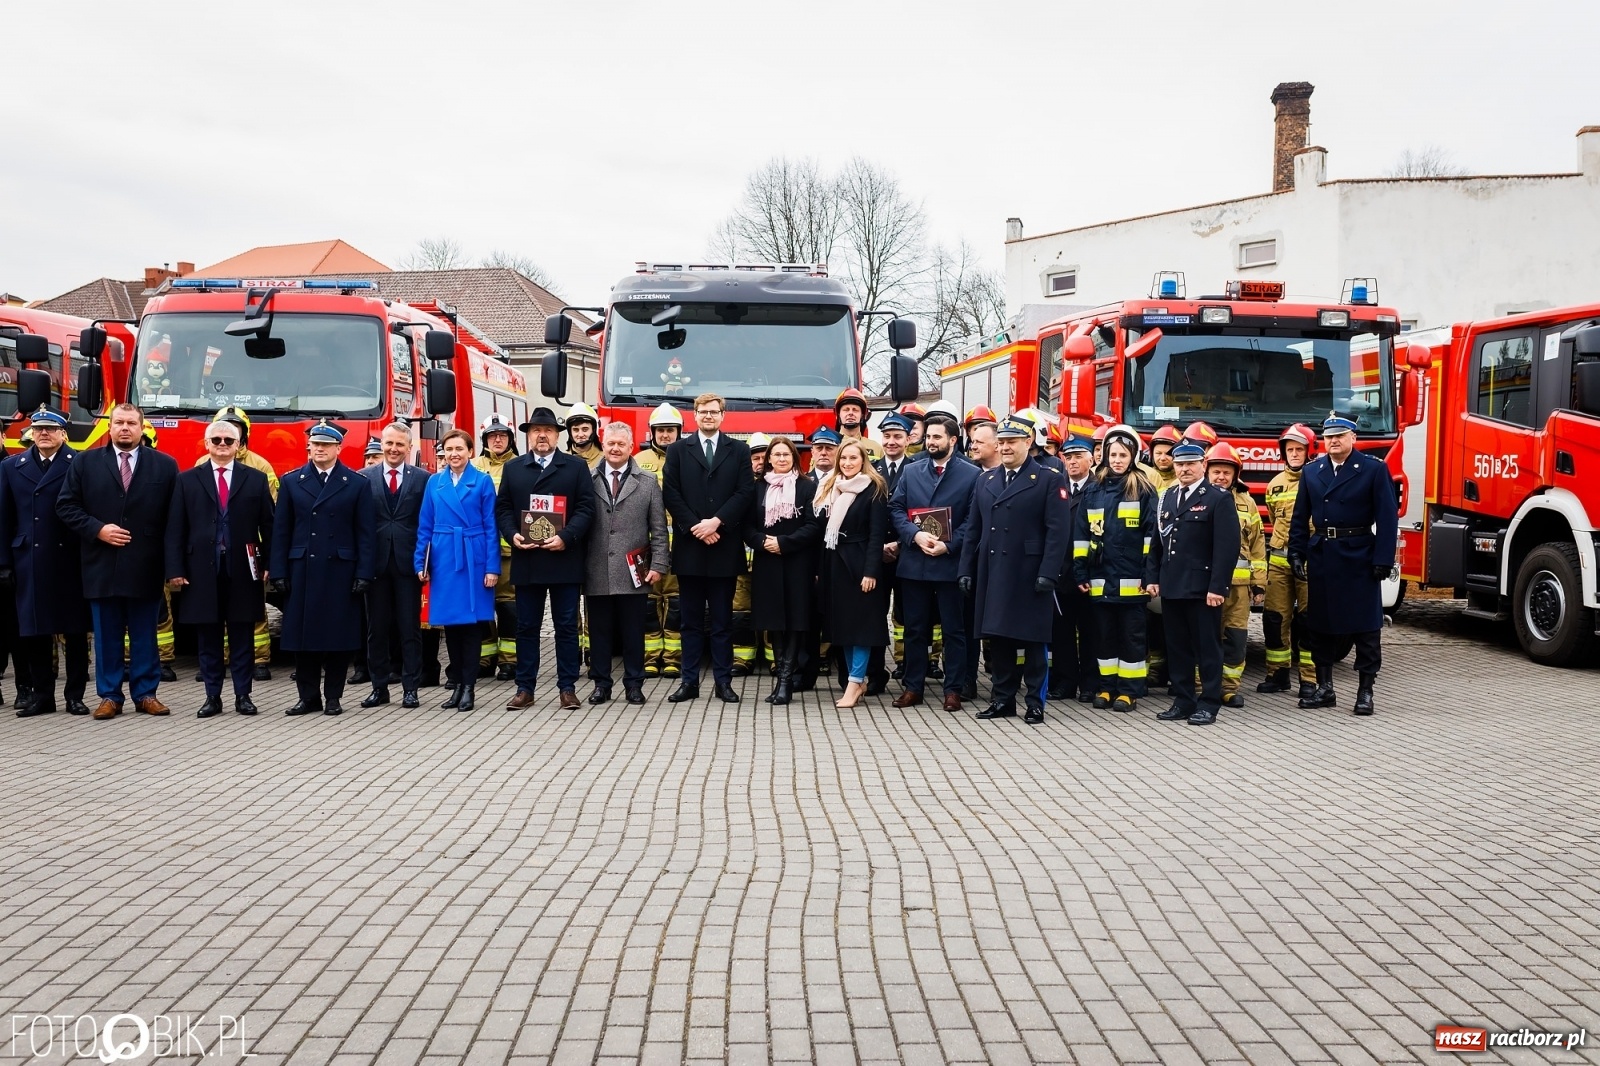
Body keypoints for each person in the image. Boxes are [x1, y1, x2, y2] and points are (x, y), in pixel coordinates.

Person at [56, 403, 179, 720]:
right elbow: (66, 506)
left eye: (131, 423)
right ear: (110, 427)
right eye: (119, 422)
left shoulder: (165, 466)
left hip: (146, 565)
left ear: (142, 428)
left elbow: (174, 519)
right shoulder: (86, 463)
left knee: (144, 635)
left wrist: (173, 566)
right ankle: (110, 696)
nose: (125, 428)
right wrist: (98, 529)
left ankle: (146, 694)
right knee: (106, 636)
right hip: (101, 563)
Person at [959, 417, 1071, 724]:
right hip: (994, 571)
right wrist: (966, 569)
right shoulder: (986, 480)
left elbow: (1058, 532)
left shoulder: (1048, 479)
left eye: (1012, 441)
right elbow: (973, 529)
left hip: (1030, 572)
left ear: (1028, 442)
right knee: (999, 638)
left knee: (1034, 642)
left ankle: (1035, 702)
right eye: (1002, 442)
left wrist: (1049, 572)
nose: (1006, 447)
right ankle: (1003, 699)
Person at [1288, 414, 1398, 716]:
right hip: (1323, 554)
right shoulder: (1313, 472)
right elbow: (1300, 518)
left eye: (1340, 435)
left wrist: (1383, 559)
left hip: (1359, 555)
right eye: (1328, 436)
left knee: (1365, 627)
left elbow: (1388, 518)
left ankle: (1365, 691)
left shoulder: (1373, 470)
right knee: (1320, 625)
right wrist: (1296, 552)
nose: (1333, 441)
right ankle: (1325, 688)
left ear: (1353, 437)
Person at [165, 417, 275, 717]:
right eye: (217, 441)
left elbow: (269, 525)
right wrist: (175, 568)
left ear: (239, 445)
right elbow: (176, 528)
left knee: (243, 635)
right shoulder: (187, 480)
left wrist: (270, 563)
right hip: (200, 569)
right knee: (208, 636)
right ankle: (212, 696)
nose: (223, 445)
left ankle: (243, 695)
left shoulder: (255, 479)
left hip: (243, 568)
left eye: (229, 441)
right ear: (207, 444)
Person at [269, 419, 377, 716]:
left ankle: (333, 697)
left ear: (338, 448)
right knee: (303, 640)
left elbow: (365, 534)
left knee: (338, 639)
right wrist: (278, 570)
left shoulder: (356, 483)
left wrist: (364, 573)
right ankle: (308, 697)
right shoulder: (292, 481)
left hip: (340, 571)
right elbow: (281, 531)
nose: (319, 449)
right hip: (302, 569)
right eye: (315, 444)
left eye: (326, 445)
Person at [497, 407, 597, 710]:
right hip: (527, 558)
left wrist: (566, 537)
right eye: (536, 430)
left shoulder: (575, 467)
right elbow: (503, 508)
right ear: (529, 435)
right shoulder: (514, 468)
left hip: (563, 557)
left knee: (566, 625)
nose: (542, 435)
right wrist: (512, 533)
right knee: (526, 626)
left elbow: (586, 508)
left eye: (549, 430)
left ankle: (567, 687)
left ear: (557, 435)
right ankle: (525, 688)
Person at [661, 393, 755, 704]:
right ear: (695, 415)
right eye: (703, 412)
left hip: (724, 548)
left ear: (723, 415)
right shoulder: (677, 450)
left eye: (714, 412)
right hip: (690, 548)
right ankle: (689, 683)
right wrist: (696, 526)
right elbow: (671, 493)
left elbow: (745, 492)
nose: (708, 417)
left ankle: (723, 683)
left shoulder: (738, 450)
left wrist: (717, 522)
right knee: (688, 621)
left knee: (722, 621)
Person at [0, 407, 92, 717]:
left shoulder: (80, 464)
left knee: (75, 631)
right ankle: (42, 696)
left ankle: (75, 695)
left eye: (50, 429)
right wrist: (4, 563)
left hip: (70, 557)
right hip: (30, 558)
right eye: (38, 428)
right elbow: (4, 518)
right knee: (34, 631)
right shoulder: (12, 467)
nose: (43, 433)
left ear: (63, 433)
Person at [889, 412, 976, 712]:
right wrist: (914, 536)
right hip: (915, 563)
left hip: (949, 564)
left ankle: (953, 689)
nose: (931, 442)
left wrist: (948, 546)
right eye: (928, 436)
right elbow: (897, 508)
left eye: (937, 437)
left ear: (953, 440)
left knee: (954, 630)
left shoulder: (971, 474)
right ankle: (913, 687)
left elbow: (972, 520)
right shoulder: (912, 471)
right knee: (915, 629)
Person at [1149, 442, 1240, 726]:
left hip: (1203, 589)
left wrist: (1218, 587)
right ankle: (1183, 700)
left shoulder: (1217, 498)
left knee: (1207, 647)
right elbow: (1157, 544)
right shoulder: (1167, 497)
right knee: (1177, 647)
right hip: (1173, 584)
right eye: (1179, 464)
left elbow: (1227, 548)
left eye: (1190, 463)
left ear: (1203, 464)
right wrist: (1152, 577)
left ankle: (1209, 703)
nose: (1184, 469)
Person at [1072, 425, 1157, 712]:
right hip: (1099, 579)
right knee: (1103, 637)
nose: (1117, 460)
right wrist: (1080, 571)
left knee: (1132, 638)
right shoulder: (1093, 490)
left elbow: (1151, 537)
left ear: (1133, 457)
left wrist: (1149, 574)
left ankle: (1128, 691)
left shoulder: (1143, 489)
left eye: (1123, 455)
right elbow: (1082, 534)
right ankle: (1107, 688)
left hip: (1133, 581)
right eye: (1112, 454)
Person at [584, 422, 668, 705]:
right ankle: (601, 685)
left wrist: (658, 564)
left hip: (635, 571)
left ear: (631, 447)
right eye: (610, 443)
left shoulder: (647, 482)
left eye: (621, 443)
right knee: (599, 632)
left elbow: (659, 528)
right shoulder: (587, 478)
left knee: (634, 632)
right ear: (603, 445)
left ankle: (634, 683)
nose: (615, 448)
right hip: (595, 568)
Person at [416, 428, 499, 712]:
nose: (454, 454)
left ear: (470, 452)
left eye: (459, 449)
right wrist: (421, 563)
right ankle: (456, 685)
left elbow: (491, 527)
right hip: (444, 560)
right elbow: (425, 525)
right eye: (448, 450)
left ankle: (469, 688)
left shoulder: (483, 482)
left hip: (473, 558)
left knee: (472, 627)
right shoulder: (434, 483)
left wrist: (492, 567)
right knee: (451, 626)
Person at [199, 407, 278, 680]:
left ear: (244, 434)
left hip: (249, 553)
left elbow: (270, 515)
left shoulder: (261, 466)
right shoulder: (201, 464)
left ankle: (259, 660)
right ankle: (218, 663)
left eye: (233, 431)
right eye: (220, 433)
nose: (224, 441)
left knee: (253, 611)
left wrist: (268, 557)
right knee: (213, 610)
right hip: (212, 553)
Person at [743, 437, 820, 705]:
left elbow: (813, 526)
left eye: (786, 454)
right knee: (774, 622)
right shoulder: (758, 487)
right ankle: (780, 680)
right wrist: (763, 542)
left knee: (796, 621)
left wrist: (783, 543)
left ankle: (786, 682)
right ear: (769, 459)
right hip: (768, 561)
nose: (782, 459)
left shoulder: (807, 487)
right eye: (776, 455)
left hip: (797, 561)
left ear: (794, 458)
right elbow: (747, 526)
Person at [816, 440, 890, 708]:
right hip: (835, 562)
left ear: (863, 461)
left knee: (861, 628)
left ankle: (856, 681)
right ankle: (854, 680)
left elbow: (876, 535)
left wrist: (871, 571)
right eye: (843, 458)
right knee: (842, 627)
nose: (847, 463)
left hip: (860, 564)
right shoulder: (830, 487)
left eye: (853, 458)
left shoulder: (874, 489)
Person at [361, 422, 428, 710]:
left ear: (409, 447)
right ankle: (378, 688)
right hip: (375, 564)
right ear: (382, 444)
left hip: (407, 564)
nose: (393, 449)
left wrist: (426, 562)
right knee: (376, 629)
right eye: (389, 443)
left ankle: (410, 688)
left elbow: (428, 523)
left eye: (400, 444)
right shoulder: (364, 477)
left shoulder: (423, 480)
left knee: (409, 628)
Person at [1202, 443, 1265, 710]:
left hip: (1238, 588)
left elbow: (1257, 544)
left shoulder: (1246, 502)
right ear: (1207, 471)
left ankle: (1228, 689)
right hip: (1204, 585)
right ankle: (1201, 687)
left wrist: (1259, 583)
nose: (1221, 477)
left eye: (1227, 472)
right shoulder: (1198, 497)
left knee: (1236, 639)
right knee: (1204, 637)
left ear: (1235, 474)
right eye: (1216, 471)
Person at [1259, 424, 1319, 699]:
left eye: (1299, 449)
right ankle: (1278, 673)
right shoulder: (1274, 485)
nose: (1294, 454)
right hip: (1279, 562)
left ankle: (1309, 678)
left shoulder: (1319, 479)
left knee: (1309, 620)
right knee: (1274, 619)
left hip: (1310, 562)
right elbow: (1275, 521)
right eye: (1290, 450)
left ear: (1309, 451)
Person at [634, 403, 684, 679]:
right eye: (661, 430)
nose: (665, 435)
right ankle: (650, 657)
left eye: (670, 430)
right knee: (649, 605)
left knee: (676, 605)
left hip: (679, 547)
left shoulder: (687, 458)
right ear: (652, 432)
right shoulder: (639, 460)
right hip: (647, 548)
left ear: (679, 432)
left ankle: (674, 659)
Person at [1048, 434, 1097, 704]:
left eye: (1079, 456)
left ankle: (1090, 684)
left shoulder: (1099, 487)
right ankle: (1064, 683)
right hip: (1061, 572)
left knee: (1091, 631)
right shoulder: (1056, 485)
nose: (1073, 462)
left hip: (1089, 572)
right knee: (1061, 632)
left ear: (1092, 459)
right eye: (1068, 457)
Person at [472, 415, 520, 681]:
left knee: (509, 607)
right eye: (492, 436)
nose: (497, 439)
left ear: (511, 438)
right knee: (482, 606)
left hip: (511, 552)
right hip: (480, 551)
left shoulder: (520, 465)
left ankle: (510, 660)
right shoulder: (473, 466)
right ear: (485, 439)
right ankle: (484, 658)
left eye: (502, 435)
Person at [871, 411, 915, 692]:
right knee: (875, 614)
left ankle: (908, 667)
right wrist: (878, 546)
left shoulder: (918, 469)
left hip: (907, 551)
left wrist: (900, 542)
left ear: (908, 439)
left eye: (897, 436)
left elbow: (920, 511)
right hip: (876, 554)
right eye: (886, 436)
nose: (891, 442)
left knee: (907, 614)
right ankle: (876, 673)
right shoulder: (870, 469)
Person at [959, 420, 1002, 700]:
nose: (972, 446)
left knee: (1001, 625)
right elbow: (969, 526)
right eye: (971, 441)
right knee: (968, 625)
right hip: (975, 561)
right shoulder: (970, 475)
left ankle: (1003, 682)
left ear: (997, 445)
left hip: (1004, 564)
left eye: (979, 442)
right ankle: (967, 680)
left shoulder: (1015, 476)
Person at [833, 388, 883, 461]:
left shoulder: (876, 448)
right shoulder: (828, 448)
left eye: (855, 410)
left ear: (862, 415)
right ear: (838, 414)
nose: (850, 413)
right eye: (846, 410)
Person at [564, 402, 603, 468]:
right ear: (570, 432)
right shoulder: (561, 460)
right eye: (576, 430)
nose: (580, 434)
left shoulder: (605, 460)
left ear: (594, 430)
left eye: (585, 429)